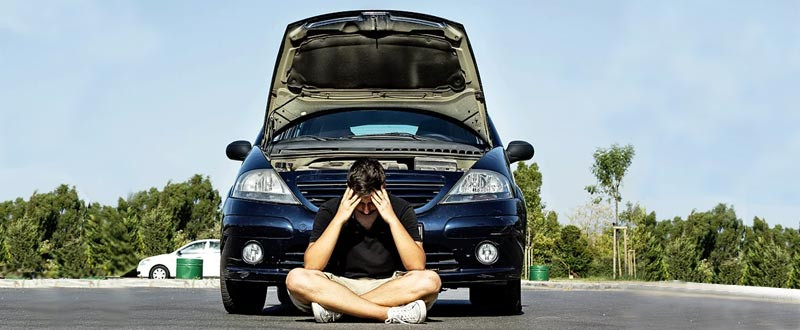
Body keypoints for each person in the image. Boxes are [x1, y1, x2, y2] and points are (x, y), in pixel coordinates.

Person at [285, 158, 441, 324]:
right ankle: (387, 314)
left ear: (383, 189)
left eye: (371, 203)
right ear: (349, 191)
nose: (366, 210)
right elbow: (312, 265)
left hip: (390, 287)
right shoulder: (330, 209)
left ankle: (340, 309)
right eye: (361, 203)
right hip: (339, 286)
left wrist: (392, 219)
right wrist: (339, 219)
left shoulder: (401, 209)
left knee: (431, 280)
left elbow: (416, 265)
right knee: (295, 278)